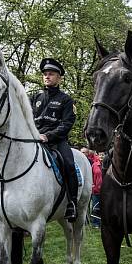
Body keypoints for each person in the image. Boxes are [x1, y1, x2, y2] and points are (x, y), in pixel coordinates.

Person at [30, 58, 78, 221]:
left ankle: (72, 203)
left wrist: (47, 136)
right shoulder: (35, 96)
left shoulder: (66, 100)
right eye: (45, 74)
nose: (47, 77)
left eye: (51, 74)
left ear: (59, 78)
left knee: (69, 165)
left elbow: (66, 124)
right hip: (34, 139)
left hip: (57, 141)